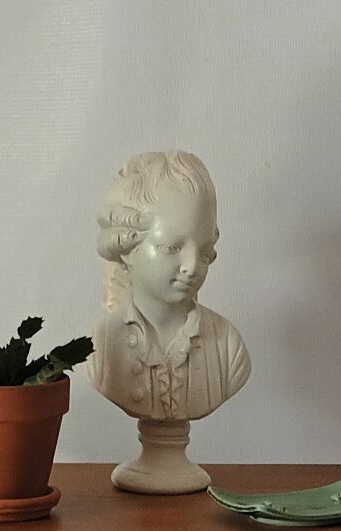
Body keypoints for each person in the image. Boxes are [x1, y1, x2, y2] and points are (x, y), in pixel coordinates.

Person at [92, 151, 250, 491]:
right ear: (128, 247)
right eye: (171, 247)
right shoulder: (99, 348)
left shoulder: (228, 349)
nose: (192, 264)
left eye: (203, 248)